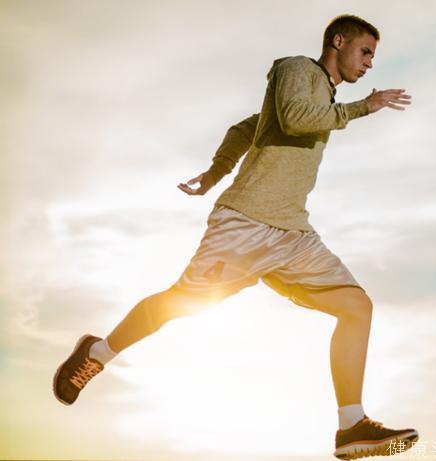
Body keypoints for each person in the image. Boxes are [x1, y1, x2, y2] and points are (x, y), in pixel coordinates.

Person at [53, 13, 417, 460]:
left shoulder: (323, 94)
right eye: (365, 52)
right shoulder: (296, 70)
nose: (369, 64)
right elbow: (298, 119)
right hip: (244, 223)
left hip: (292, 232)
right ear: (338, 41)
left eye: (372, 58)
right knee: (180, 303)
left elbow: (247, 128)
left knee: (356, 307)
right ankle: (98, 351)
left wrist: (213, 172)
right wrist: (365, 106)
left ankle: (350, 425)